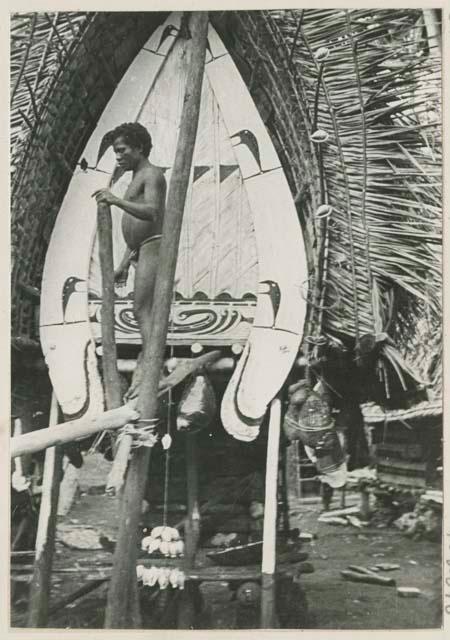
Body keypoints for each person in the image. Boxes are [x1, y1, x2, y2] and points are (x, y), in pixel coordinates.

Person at [93, 122, 167, 398]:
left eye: (122, 150)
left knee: (141, 309)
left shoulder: (152, 175)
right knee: (141, 308)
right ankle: (151, 364)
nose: (119, 157)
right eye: (115, 152)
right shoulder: (137, 175)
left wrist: (115, 201)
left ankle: (153, 368)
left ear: (139, 147)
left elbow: (151, 213)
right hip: (141, 248)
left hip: (154, 247)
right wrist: (124, 264)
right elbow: (137, 228)